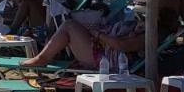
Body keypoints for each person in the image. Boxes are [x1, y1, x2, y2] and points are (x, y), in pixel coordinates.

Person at [18, 15, 147, 69]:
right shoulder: (138, 33)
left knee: (69, 25)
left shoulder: (145, 39)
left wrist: (99, 35)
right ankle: (44, 57)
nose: (141, 24)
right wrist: (135, 30)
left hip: (104, 60)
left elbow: (121, 46)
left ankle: (42, 58)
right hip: (102, 52)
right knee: (69, 25)